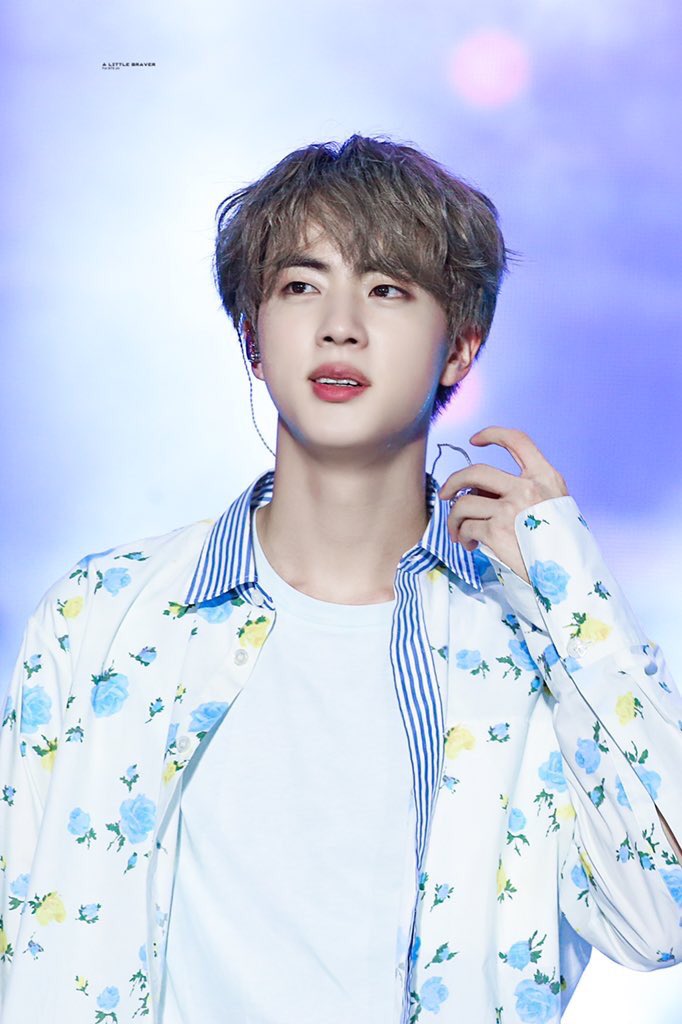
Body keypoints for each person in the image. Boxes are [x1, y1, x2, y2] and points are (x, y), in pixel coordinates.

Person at [1, 134, 680, 1024]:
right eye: (300, 285)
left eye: (387, 288)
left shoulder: (528, 652)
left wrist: (575, 599)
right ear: (253, 338)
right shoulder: (102, 618)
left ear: (460, 348)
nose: (340, 324)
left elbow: (660, 917)